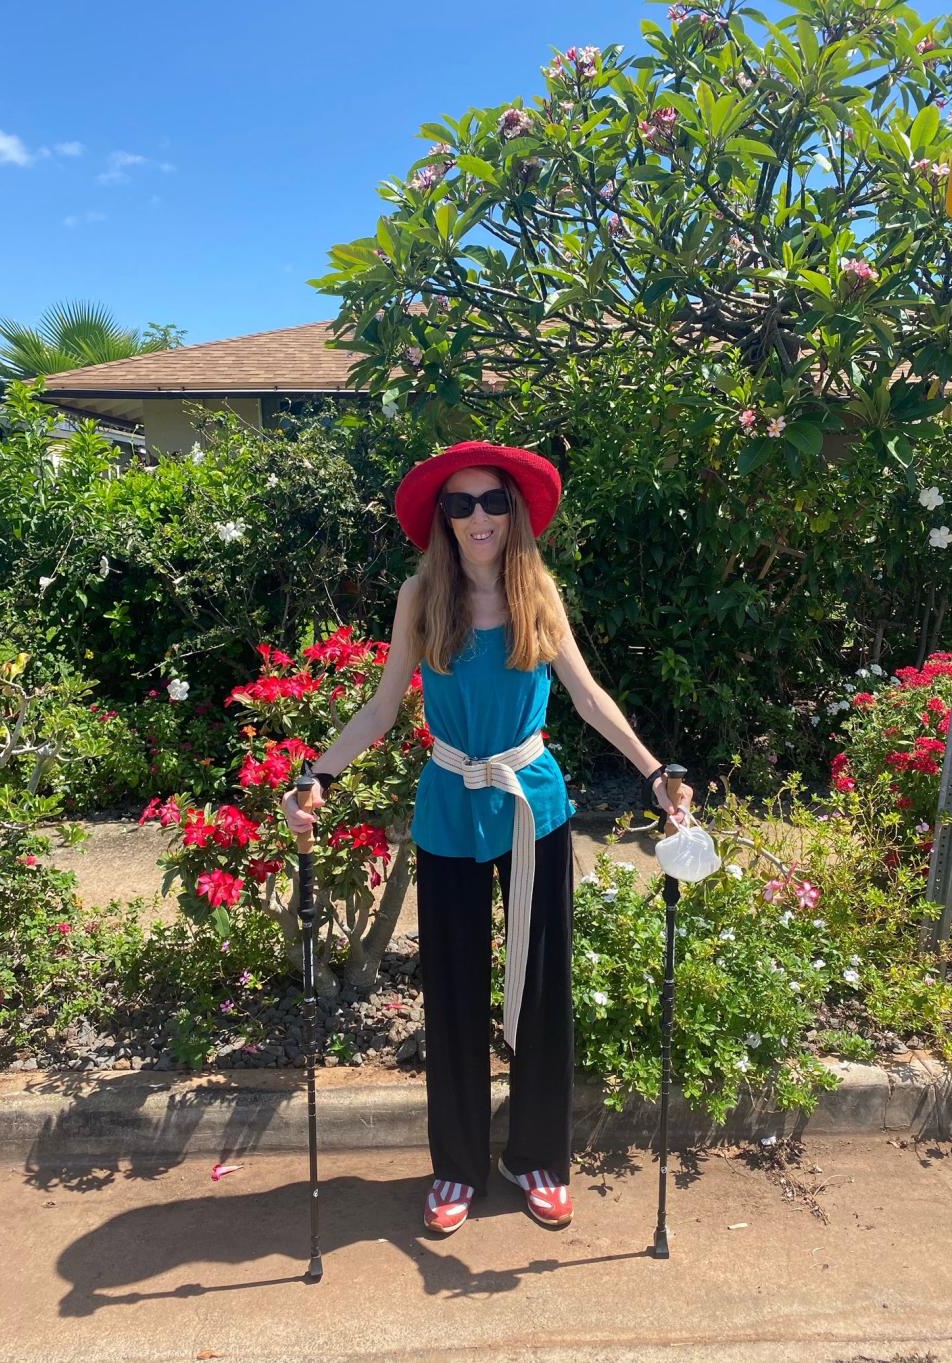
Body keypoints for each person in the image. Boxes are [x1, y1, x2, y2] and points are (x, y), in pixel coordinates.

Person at [282, 439, 692, 1236]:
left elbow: (587, 695)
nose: (478, 517)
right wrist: (319, 776)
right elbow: (381, 707)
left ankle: (536, 1154)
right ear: (443, 517)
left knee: (541, 990)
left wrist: (654, 774)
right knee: (456, 994)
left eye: (492, 501)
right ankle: (460, 1164)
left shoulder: (538, 592)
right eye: (461, 503)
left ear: (514, 513)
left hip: (533, 807)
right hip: (447, 805)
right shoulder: (419, 595)